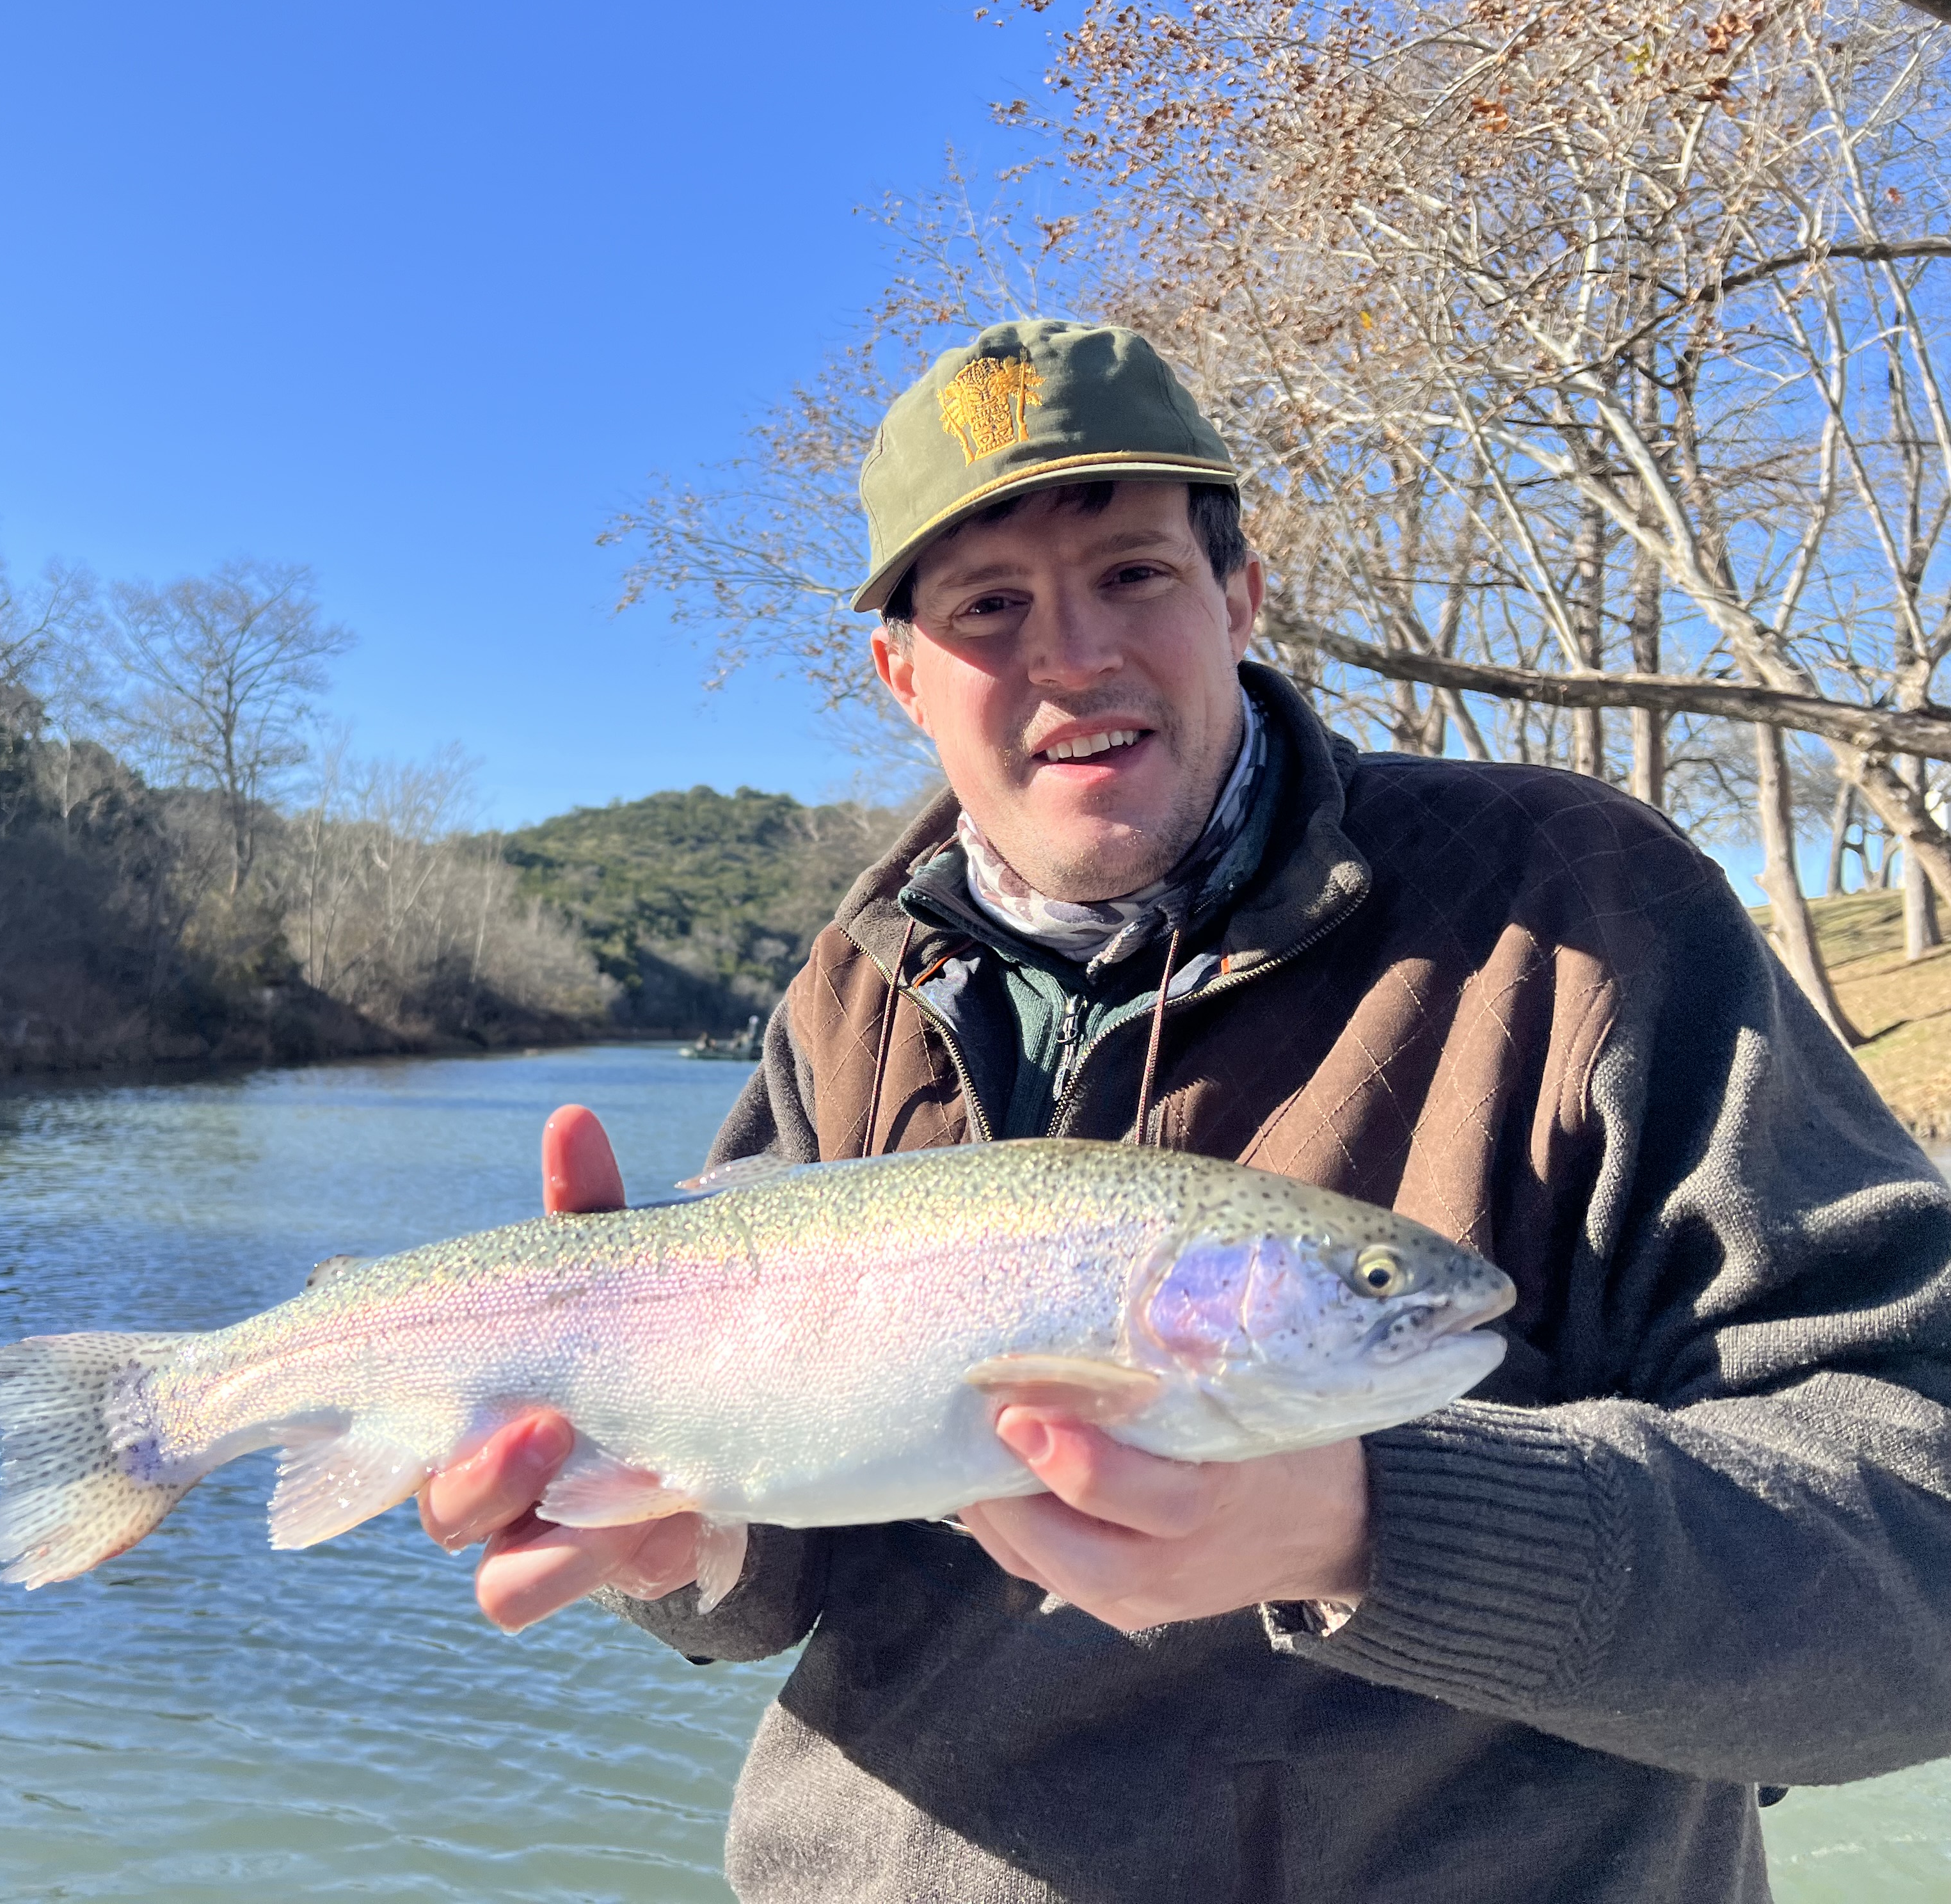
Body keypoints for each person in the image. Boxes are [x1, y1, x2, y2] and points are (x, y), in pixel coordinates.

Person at [420, 321, 1951, 1901]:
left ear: (1240, 596)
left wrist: (1371, 1523)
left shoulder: (1583, 915)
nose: (1073, 654)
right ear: (902, 675)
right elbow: (781, 1569)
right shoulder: (851, 989)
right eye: (989, 605)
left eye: (1134, 573)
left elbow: (1924, 1535)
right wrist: (681, 1540)